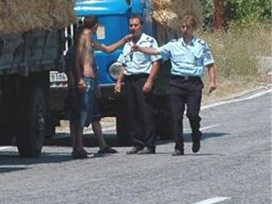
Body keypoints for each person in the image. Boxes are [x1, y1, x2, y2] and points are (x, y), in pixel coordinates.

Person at [132, 13, 217, 156]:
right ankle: (179, 147)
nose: (184, 30)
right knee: (176, 116)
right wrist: (140, 49)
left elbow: (210, 64)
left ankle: (196, 134)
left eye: (187, 27)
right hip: (177, 83)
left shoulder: (201, 45)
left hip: (193, 84)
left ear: (193, 28)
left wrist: (213, 81)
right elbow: (156, 51)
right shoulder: (173, 45)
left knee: (192, 114)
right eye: (182, 27)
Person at [71, 15, 130, 159]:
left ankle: (99, 145)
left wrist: (123, 41)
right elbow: (76, 58)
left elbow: (107, 49)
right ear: (96, 26)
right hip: (85, 79)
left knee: (91, 114)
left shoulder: (90, 39)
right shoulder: (84, 37)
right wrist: (79, 79)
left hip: (90, 80)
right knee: (82, 113)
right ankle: (78, 147)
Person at [114, 15, 160, 155]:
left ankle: (149, 144)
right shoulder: (127, 43)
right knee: (131, 112)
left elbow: (156, 62)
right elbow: (123, 63)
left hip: (143, 78)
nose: (133, 28)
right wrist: (118, 81)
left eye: (136, 25)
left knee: (146, 112)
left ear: (142, 26)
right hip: (130, 79)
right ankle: (137, 143)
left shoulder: (149, 41)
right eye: (131, 25)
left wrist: (149, 81)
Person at [64, 43, 118, 158]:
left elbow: (95, 69)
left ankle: (102, 144)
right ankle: (77, 147)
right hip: (80, 87)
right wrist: (74, 86)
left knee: (95, 117)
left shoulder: (89, 51)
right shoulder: (73, 52)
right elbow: (69, 71)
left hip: (89, 87)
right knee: (77, 118)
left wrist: (97, 86)